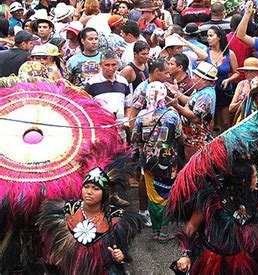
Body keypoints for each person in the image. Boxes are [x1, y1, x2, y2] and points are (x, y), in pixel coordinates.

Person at [174, 158, 258, 274]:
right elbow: (192, 226)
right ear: (244, 181)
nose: (257, 180)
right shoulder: (211, 200)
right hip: (210, 260)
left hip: (240, 261)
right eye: (254, 176)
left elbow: (256, 228)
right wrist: (186, 254)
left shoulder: (256, 198)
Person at [36, 167, 144, 274]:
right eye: (86, 187)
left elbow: (121, 251)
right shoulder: (66, 211)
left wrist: (120, 256)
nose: (89, 192)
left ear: (105, 193)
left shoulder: (116, 218)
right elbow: (53, 252)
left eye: (96, 189)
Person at [133, 82, 184, 242]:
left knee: (153, 196)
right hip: (168, 163)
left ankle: (155, 230)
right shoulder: (172, 116)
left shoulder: (141, 116)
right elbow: (180, 138)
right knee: (167, 195)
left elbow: (136, 138)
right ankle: (163, 231)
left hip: (149, 163)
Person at [167, 61, 217, 162]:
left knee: (191, 165)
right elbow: (190, 101)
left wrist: (176, 106)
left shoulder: (206, 96)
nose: (193, 78)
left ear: (205, 81)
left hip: (195, 140)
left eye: (196, 76)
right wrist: (178, 93)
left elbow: (195, 117)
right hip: (189, 136)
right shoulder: (200, 90)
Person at [205, 25, 239, 132]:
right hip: (210, 92)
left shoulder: (230, 54)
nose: (208, 38)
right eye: (207, 36)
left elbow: (237, 72)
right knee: (211, 123)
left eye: (211, 36)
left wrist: (228, 79)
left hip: (225, 91)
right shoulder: (205, 52)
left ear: (219, 37)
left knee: (225, 122)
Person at [85, 49, 131, 125]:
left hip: (121, 130)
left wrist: (126, 119)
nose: (110, 68)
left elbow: (128, 106)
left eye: (113, 65)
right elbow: (87, 108)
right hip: (102, 130)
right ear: (100, 65)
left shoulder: (123, 82)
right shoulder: (92, 83)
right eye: (107, 65)